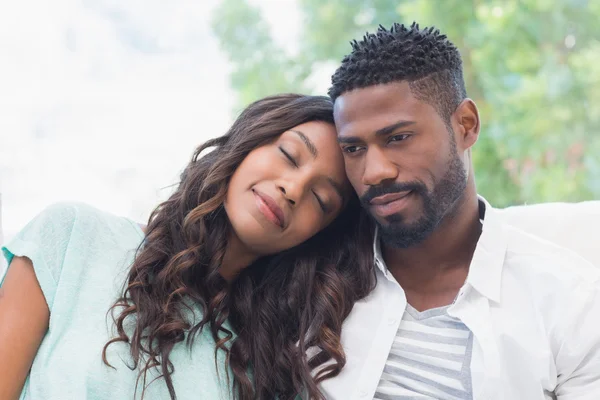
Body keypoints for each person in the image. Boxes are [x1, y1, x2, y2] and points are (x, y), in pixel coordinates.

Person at [0, 94, 375, 400]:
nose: (292, 190)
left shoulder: (272, 369)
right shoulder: (73, 237)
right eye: (289, 155)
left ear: (315, 237)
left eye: (321, 199)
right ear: (247, 142)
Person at [319, 23, 600, 399]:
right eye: (353, 149)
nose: (375, 172)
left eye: (398, 138)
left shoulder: (573, 304)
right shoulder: (314, 276)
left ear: (466, 125)